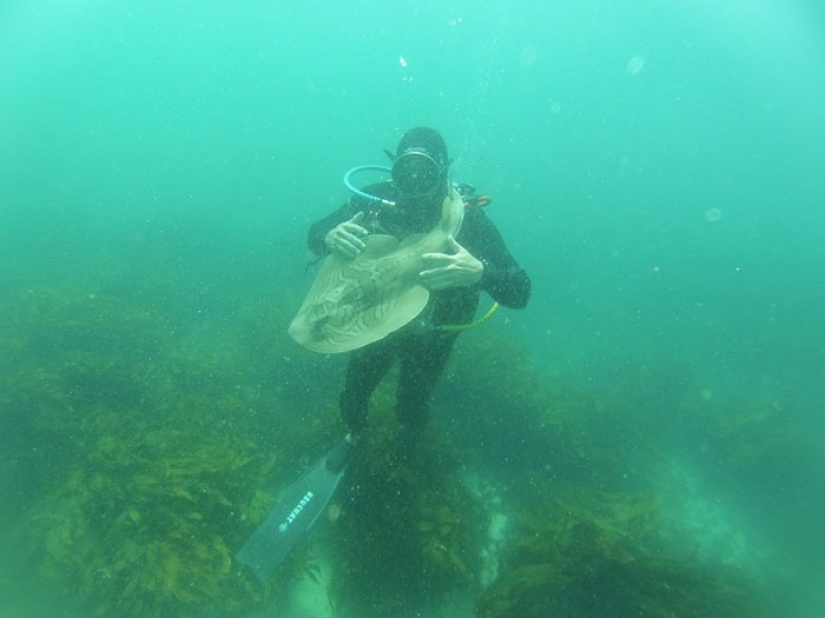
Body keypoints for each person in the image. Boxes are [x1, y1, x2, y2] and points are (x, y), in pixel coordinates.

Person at [306, 127, 530, 443]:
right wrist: (328, 237)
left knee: (412, 403)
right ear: (392, 169)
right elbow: (315, 234)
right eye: (404, 172)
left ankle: (407, 442)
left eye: (423, 173)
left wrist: (482, 273)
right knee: (354, 394)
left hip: (434, 334)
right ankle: (354, 436)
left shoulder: (470, 223)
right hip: (375, 322)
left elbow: (521, 292)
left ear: (443, 171)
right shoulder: (374, 202)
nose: (413, 183)